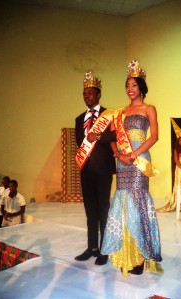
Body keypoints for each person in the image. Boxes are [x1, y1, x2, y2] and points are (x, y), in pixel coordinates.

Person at [101, 60, 163, 278]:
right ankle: (125, 256)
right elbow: (111, 136)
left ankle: (140, 256)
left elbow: (154, 136)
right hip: (123, 161)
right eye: (127, 85)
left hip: (138, 161)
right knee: (124, 204)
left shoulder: (149, 109)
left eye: (134, 85)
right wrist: (118, 154)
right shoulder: (120, 112)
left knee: (137, 203)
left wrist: (133, 155)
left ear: (141, 88)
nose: (129, 88)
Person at [74, 71, 116, 265]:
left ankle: (105, 249)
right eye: (84, 93)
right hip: (86, 171)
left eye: (90, 93)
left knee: (103, 210)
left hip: (103, 170)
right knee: (90, 211)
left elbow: (114, 137)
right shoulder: (78, 119)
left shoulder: (108, 115)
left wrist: (97, 136)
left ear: (98, 94)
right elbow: (78, 143)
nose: (87, 96)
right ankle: (92, 248)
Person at [157, 135, 181, 212]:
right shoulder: (176, 150)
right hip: (180, 169)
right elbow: (176, 161)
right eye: (179, 141)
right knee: (180, 186)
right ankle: (180, 204)